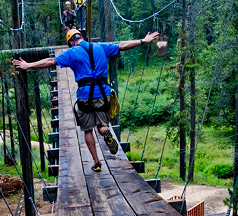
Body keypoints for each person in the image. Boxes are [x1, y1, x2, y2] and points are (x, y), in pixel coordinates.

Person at [12, 28, 159, 172]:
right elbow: (122, 46)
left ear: (70, 42)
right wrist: (142, 41)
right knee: (102, 125)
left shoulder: (71, 52)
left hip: (85, 96)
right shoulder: (100, 46)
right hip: (104, 93)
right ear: (81, 36)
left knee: (87, 129)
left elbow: (50, 61)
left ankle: (96, 162)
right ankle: (106, 132)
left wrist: (28, 65)